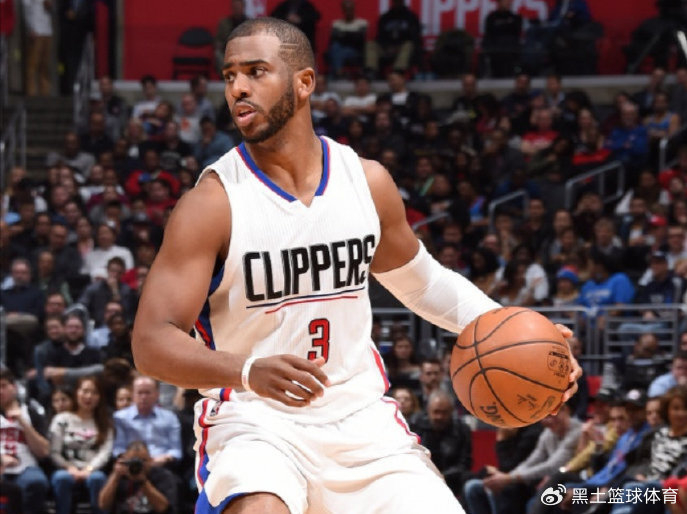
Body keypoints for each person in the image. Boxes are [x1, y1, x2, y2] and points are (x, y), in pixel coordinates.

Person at [131, 18, 580, 514]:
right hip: (256, 422)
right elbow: (151, 342)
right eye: (230, 75)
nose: (238, 87)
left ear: (304, 82)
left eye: (256, 71)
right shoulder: (211, 204)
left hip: (363, 422)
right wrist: (247, 370)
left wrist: (519, 334)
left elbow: (423, 283)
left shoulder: (366, 182)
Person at [49, 376, 113, 514]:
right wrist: (70, 468)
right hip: (66, 468)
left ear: (100, 397)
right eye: (85, 391)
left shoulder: (105, 423)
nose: (89, 396)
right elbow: (54, 451)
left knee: (98, 478)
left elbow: (105, 453)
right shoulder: (61, 419)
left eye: (94, 392)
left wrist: (88, 469)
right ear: (76, 393)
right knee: (62, 478)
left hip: (93, 470)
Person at [0, 366, 50, 514]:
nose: (0, 391)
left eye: (3, 386)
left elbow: (43, 452)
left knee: (36, 482)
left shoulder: (31, 412)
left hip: (25, 468)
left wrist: (23, 422)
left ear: (14, 387)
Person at [98, 440, 176, 514]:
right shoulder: (120, 475)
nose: (138, 465)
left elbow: (163, 508)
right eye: (133, 461)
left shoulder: (163, 476)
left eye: (143, 460)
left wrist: (143, 482)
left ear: (151, 460)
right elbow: (103, 505)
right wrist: (115, 476)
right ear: (125, 461)